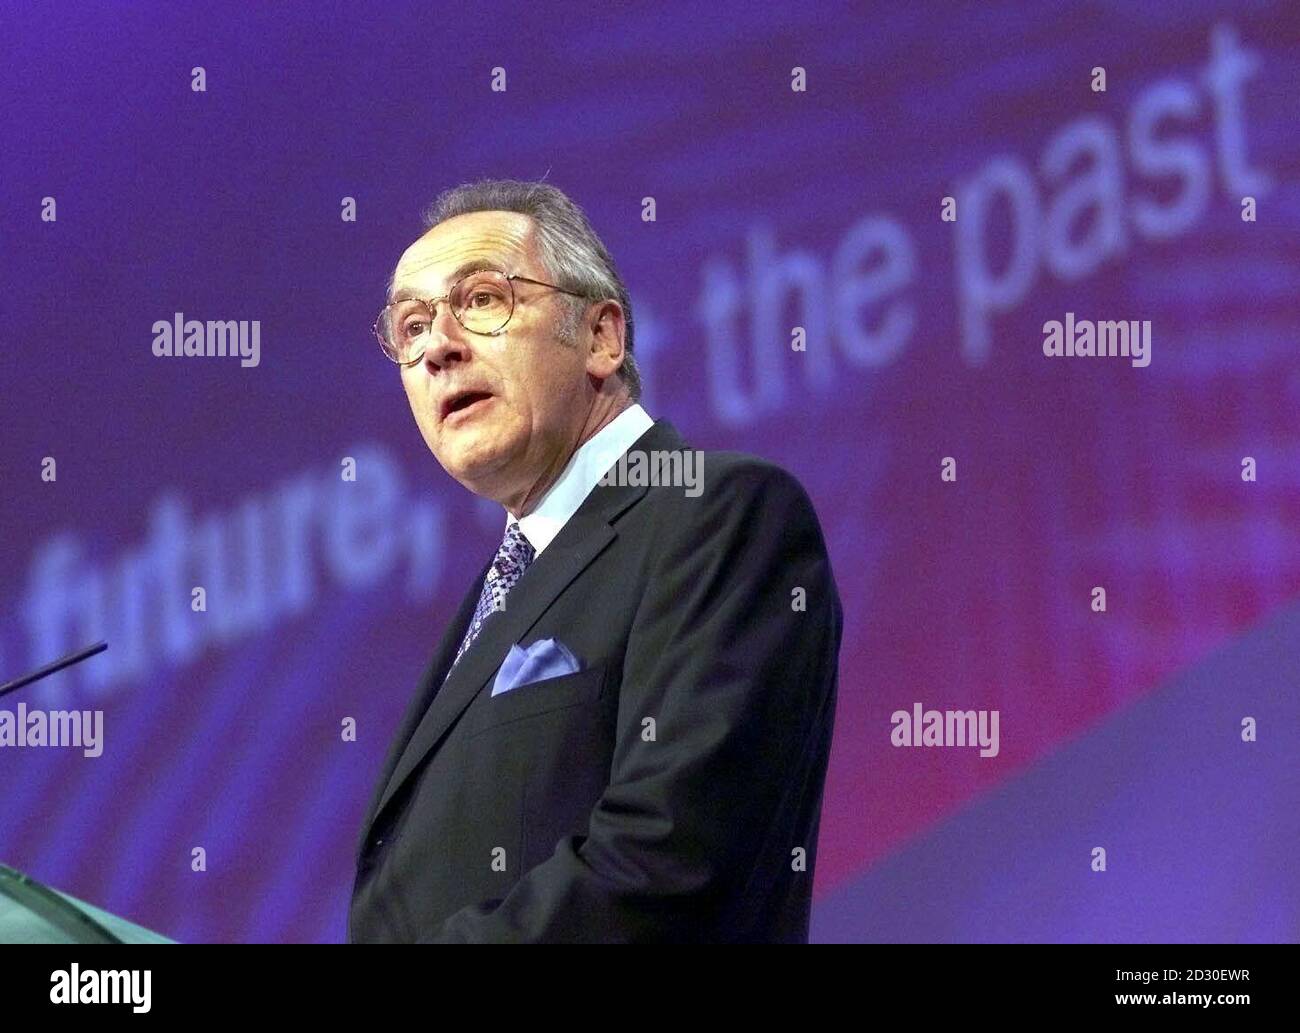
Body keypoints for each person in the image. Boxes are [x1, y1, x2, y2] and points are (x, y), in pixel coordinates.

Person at [349, 179, 842, 943]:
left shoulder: (719, 515)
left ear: (601, 338)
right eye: (411, 327)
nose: (437, 346)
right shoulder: (502, 588)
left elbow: (667, 860)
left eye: (481, 300)